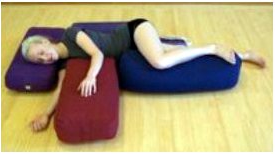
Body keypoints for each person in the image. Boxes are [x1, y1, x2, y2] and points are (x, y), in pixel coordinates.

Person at [22, 18, 265, 132]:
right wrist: (46, 115)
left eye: (42, 52)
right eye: (39, 60)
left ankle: (212, 47)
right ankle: (244, 55)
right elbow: (60, 89)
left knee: (160, 62)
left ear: (46, 41)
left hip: (134, 32)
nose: (45, 58)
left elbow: (96, 55)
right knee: (183, 54)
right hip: (133, 50)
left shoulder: (71, 34)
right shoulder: (66, 63)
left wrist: (91, 77)